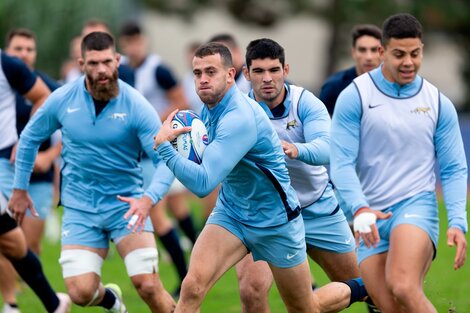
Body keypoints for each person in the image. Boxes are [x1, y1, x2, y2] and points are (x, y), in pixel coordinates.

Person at [153, 42, 367, 313]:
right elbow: (207, 166)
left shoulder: (241, 116)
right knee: (193, 287)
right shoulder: (209, 108)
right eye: (198, 73)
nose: (203, 80)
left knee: (305, 307)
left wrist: (165, 150)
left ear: (231, 75)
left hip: (277, 220)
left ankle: (366, 286)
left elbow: (203, 184)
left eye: (211, 72)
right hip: (233, 213)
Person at [9, 32, 176, 313]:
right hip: (80, 208)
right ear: (81, 64)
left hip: (128, 206)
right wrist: (20, 189)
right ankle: (112, 301)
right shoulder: (63, 98)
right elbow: (29, 139)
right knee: (80, 293)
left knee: (147, 285)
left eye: (107, 62)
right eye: (94, 63)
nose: (101, 70)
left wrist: (148, 199)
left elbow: (165, 160)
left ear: (117, 61)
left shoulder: (135, 104)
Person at [330, 13, 467, 313]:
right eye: (399, 54)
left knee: (403, 286)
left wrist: (457, 220)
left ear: (422, 50)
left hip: (417, 207)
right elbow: (340, 161)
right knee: (389, 307)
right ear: (382, 52)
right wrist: (360, 207)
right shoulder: (355, 96)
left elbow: (455, 167)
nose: (408, 62)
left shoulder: (437, 102)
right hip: (369, 217)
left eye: (415, 53)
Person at [237, 37, 369, 313]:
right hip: (265, 215)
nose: (267, 78)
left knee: (369, 285)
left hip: (316, 207)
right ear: (246, 74)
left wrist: (295, 149)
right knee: (251, 290)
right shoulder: (238, 110)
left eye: (274, 70)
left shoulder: (305, 102)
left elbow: (327, 148)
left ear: (286, 70)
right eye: (258, 71)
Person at [119, 21, 199, 296]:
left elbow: (182, 102)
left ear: (144, 41)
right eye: (128, 43)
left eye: (137, 42)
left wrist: (157, 125)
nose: (133, 47)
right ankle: (195, 265)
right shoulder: (122, 70)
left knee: (161, 214)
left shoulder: (158, 69)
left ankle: (186, 275)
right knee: (173, 210)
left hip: (158, 150)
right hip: (139, 152)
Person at [0, 45, 70, 313]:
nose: (24, 53)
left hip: (33, 174)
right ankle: (13, 303)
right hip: (3, 168)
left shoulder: (10, 69)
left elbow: (66, 125)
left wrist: (30, 141)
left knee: (17, 242)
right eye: (19, 47)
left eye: (29, 48)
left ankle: (52, 302)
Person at [319, 24, 382, 116]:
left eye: (374, 50)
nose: (369, 57)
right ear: (353, 52)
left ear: (383, 52)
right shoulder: (334, 86)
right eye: (362, 50)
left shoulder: (395, 85)